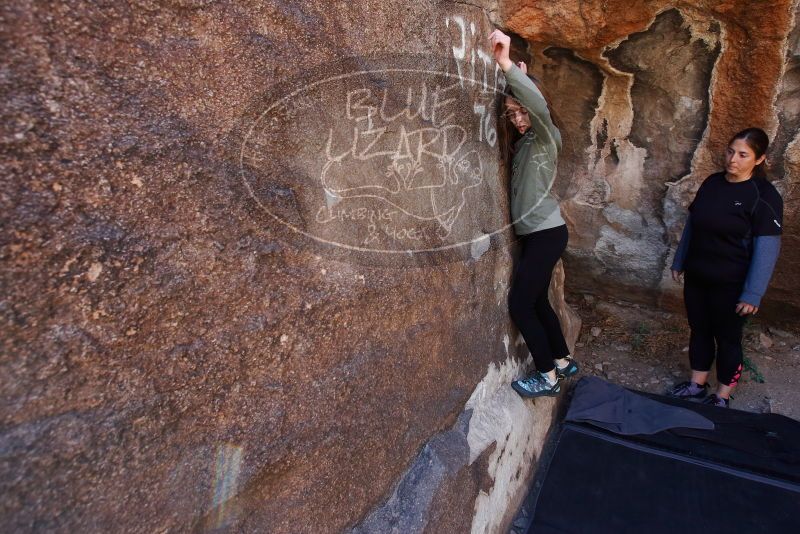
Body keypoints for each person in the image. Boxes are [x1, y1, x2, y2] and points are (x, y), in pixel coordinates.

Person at [488, 29, 578, 398]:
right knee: (538, 300)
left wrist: (508, 65)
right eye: (512, 114)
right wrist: (520, 84)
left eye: (522, 111)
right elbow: (528, 108)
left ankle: (547, 377)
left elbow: (538, 110)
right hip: (539, 234)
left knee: (521, 304)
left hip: (545, 234)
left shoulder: (546, 135)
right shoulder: (526, 142)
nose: (519, 119)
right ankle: (561, 360)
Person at [668, 128, 783, 407]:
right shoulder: (712, 183)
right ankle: (697, 385)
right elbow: (693, 224)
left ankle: (722, 397)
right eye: (730, 151)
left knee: (728, 339)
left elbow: (767, 248)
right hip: (698, 274)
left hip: (732, 283)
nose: (733, 159)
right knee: (699, 330)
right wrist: (680, 260)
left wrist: (752, 293)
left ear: (759, 159)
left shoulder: (763, 196)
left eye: (743, 154)